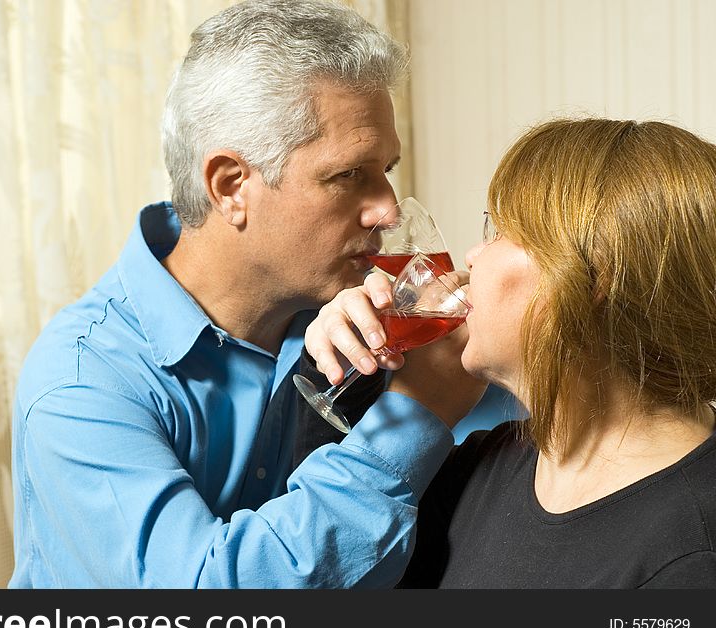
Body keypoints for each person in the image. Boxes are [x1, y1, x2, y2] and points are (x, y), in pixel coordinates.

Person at [8, 0, 512, 589]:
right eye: (348, 176)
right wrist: (413, 412)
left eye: (386, 171)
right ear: (231, 187)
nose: (388, 208)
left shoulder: (353, 318)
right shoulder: (83, 381)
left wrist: (481, 337)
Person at [303, 117, 716, 587]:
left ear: (592, 276)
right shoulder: (482, 466)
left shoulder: (693, 558)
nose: (474, 256)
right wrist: (344, 364)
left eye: (499, 230)